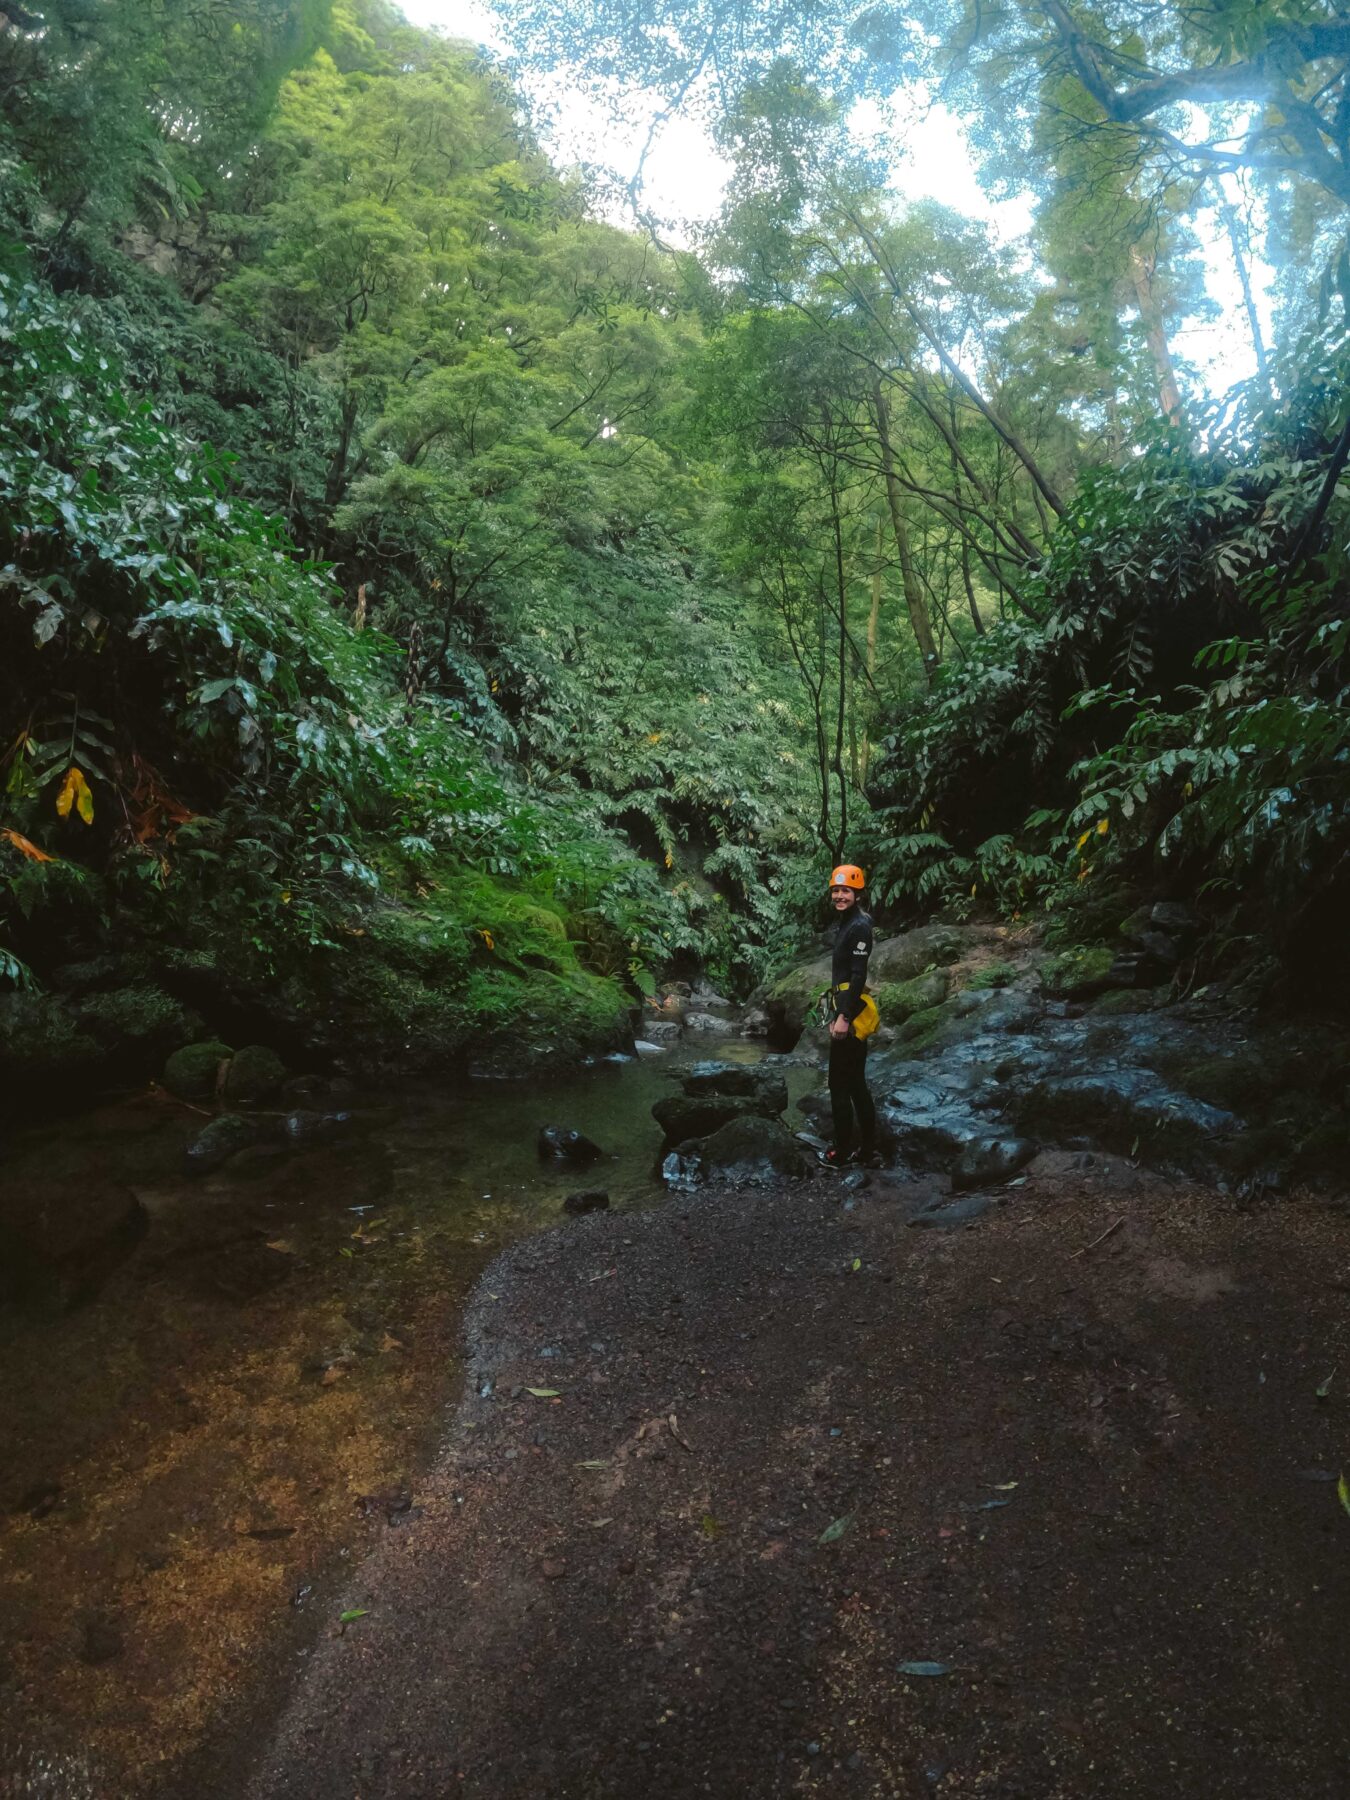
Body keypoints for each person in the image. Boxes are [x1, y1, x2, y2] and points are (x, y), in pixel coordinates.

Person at [819, 863, 880, 1169]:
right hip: (845, 1006)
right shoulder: (847, 922)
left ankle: (842, 1152)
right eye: (836, 890)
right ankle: (867, 1150)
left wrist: (843, 1016)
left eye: (846, 891)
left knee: (840, 1084)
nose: (840, 895)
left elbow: (858, 976)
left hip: (851, 1011)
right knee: (855, 1083)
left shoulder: (859, 926)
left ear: (858, 893)